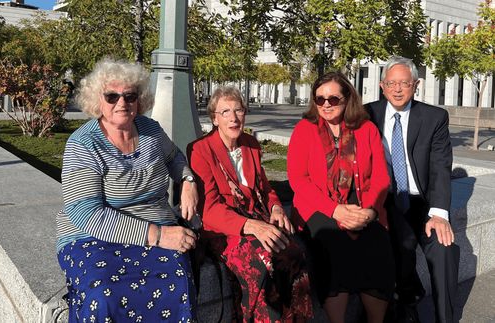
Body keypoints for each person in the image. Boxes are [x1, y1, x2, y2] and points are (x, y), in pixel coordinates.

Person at [56, 58, 199, 322]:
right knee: (103, 295)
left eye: (129, 96)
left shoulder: (150, 129)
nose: (121, 102)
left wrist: (188, 181)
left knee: (177, 281)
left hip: (159, 226)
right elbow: (87, 214)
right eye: (111, 96)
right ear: (97, 101)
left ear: (139, 99)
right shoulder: (83, 144)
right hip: (93, 236)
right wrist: (157, 236)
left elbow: (174, 158)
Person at [187, 86, 313, 322]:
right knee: (263, 262)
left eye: (238, 110)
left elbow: (265, 188)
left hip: (256, 220)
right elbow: (209, 209)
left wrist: (275, 207)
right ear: (214, 118)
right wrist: (252, 226)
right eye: (225, 112)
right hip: (224, 228)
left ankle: (297, 318)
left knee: (295, 254)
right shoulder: (200, 150)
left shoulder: (250, 145)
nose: (233, 118)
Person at [287, 72, 394, 323]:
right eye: (320, 99)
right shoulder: (305, 129)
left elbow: (380, 178)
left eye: (333, 99)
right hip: (318, 207)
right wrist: (335, 210)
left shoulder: (366, 129)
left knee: (378, 248)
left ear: (347, 99)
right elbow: (298, 179)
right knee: (336, 247)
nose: (325, 104)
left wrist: (370, 211)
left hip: (363, 205)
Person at [366, 56, 460, 323]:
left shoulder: (434, 118)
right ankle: (407, 302)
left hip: (422, 203)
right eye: (391, 83)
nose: (397, 89)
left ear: (416, 85)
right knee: (400, 243)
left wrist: (440, 213)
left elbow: (441, 167)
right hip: (384, 201)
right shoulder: (367, 114)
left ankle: (445, 317)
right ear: (382, 86)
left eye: (404, 83)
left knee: (445, 249)